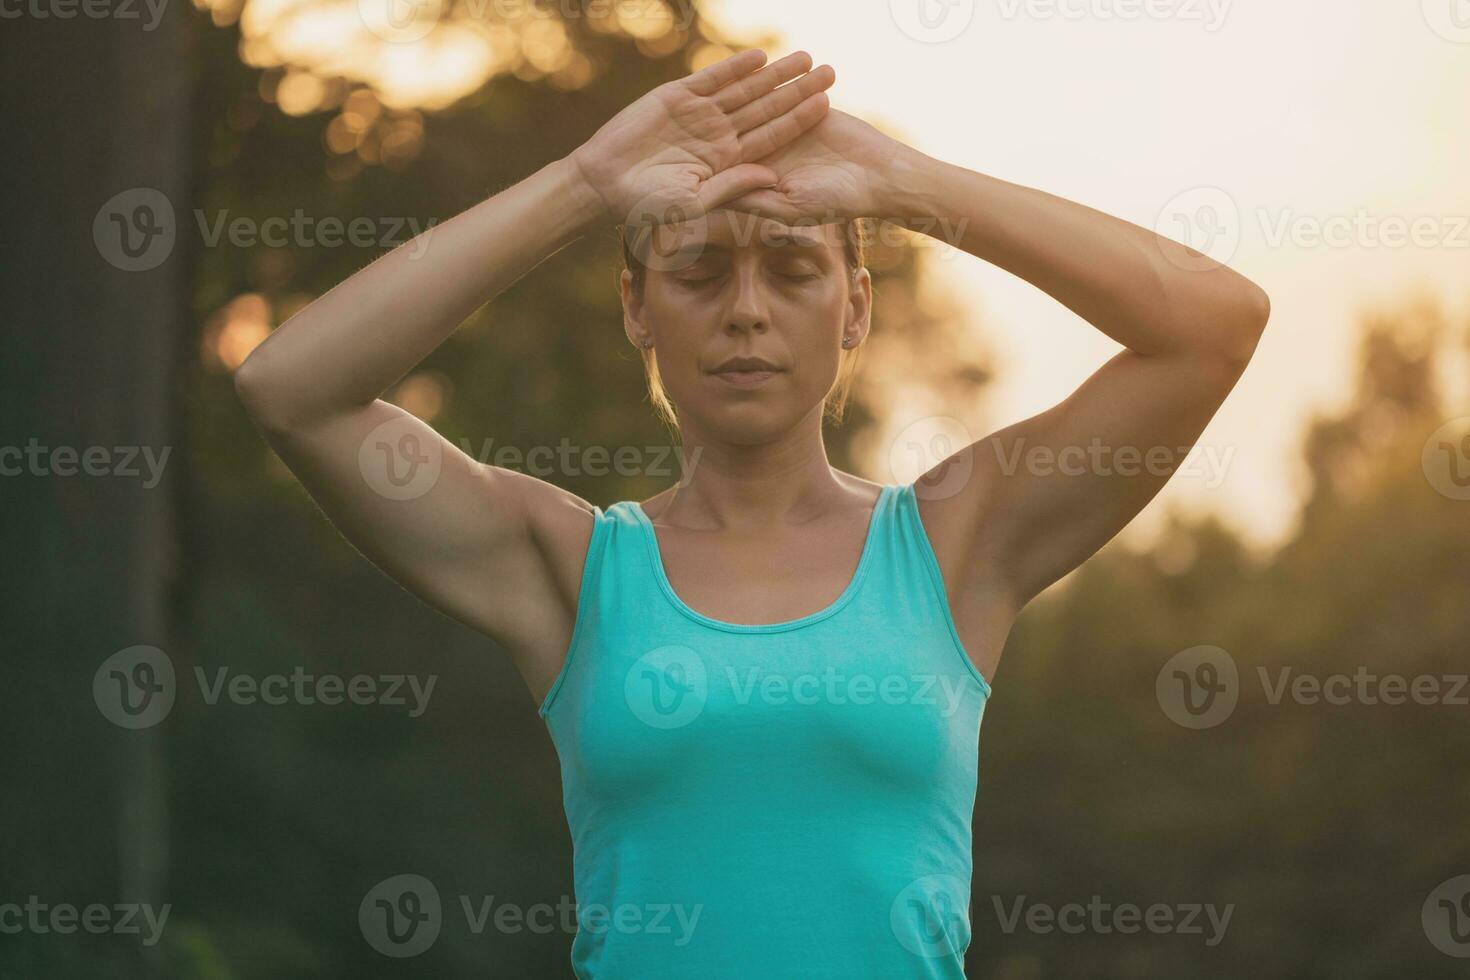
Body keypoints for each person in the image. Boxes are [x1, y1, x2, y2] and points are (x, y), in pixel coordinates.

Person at [234, 48, 1270, 978]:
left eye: (792, 266)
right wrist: (585, 186)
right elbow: (294, 388)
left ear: (855, 302)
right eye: (698, 270)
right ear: (638, 306)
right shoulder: (569, 565)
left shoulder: (958, 540)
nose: (746, 308)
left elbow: (1214, 326)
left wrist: (903, 180)